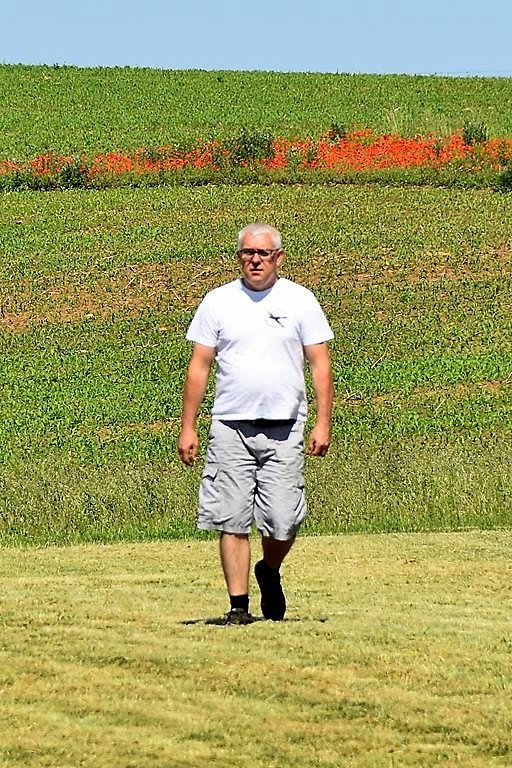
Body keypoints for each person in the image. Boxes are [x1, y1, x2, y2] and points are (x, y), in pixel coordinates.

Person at [178, 223, 334, 624]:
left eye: (263, 253)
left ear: (278, 257)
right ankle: (238, 606)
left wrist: (323, 422)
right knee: (231, 518)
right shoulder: (218, 301)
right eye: (248, 253)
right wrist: (188, 426)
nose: (255, 260)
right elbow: (199, 366)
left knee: (283, 521)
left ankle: (269, 569)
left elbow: (320, 364)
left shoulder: (300, 300)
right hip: (231, 426)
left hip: (285, 427)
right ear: (239, 257)